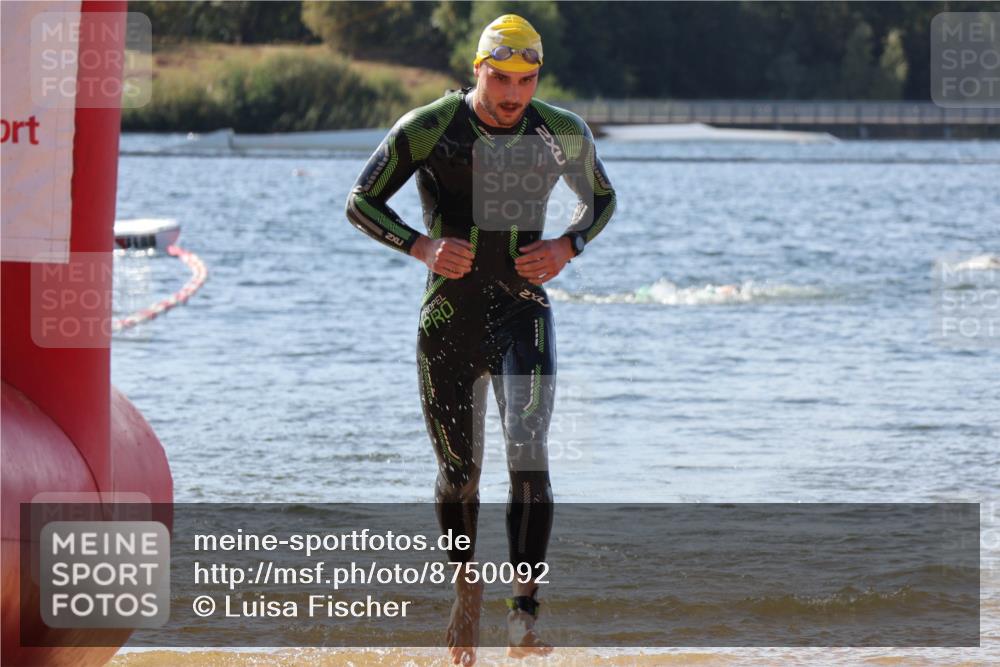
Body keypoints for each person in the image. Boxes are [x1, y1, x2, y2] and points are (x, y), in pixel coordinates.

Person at [346, 13, 616, 666]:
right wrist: (421, 245)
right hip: (449, 317)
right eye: (501, 78)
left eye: (525, 80)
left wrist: (568, 244)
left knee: (529, 455)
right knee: (459, 473)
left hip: (524, 311)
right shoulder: (431, 126)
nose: (512, 94)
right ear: (478, 68)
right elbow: (361, 201)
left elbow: (601, 200)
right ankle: (466, 584)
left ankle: (523, 612)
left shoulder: (560, 132)